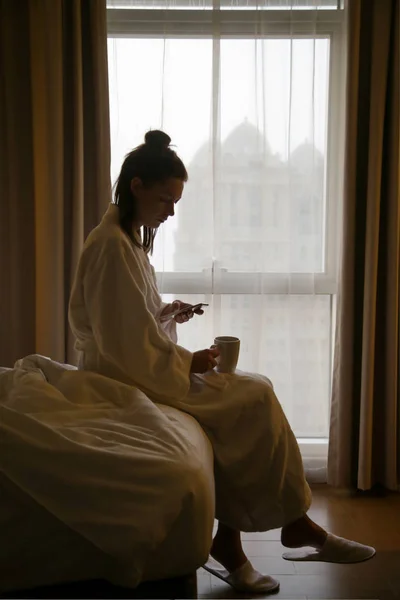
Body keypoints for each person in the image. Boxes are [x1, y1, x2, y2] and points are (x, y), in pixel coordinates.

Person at [69, 130, 375, 594]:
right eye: (166, 198)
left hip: (141, 365)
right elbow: (123, 345)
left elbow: (133, 322)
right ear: (137, 185)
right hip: (126, 377)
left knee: (254, 392)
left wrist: (171, 314)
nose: (171, 210)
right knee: (252, 397)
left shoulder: (128, 241)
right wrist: (188, 362)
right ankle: (284, 530)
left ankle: (261, 534)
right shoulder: (111, 245)